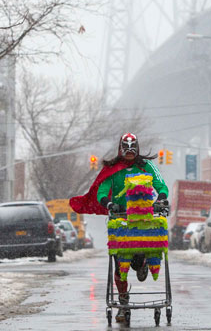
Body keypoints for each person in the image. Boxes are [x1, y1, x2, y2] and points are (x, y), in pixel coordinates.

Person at [70, 132, 169, 323]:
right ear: (120, 149)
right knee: (120, 266)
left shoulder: (147, 167)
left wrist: (161, 198)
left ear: (137, 149)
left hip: (144, 222)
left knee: (137, 259)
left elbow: (161, 185)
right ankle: (123, 302)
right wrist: (108, 203)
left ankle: (142, 264)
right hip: (121, 222)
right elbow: (101, 190)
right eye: (126, 149)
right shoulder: (112, 169)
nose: (130, 153)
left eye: (133, 149)